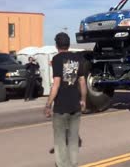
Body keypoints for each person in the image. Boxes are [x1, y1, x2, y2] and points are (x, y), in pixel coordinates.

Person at [44, 32, 87, 167]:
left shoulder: (57, 59)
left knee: (60, 140)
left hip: (61, 107)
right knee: (73, 139)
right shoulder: (78, 58)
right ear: (68, 44)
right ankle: (73, 164)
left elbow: (56, 84)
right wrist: (84, 100)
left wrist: (48, 104)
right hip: (75, 104)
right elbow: (82, 81)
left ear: (57, 45)